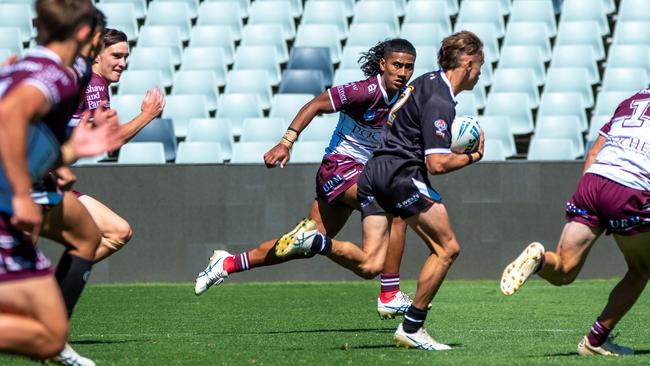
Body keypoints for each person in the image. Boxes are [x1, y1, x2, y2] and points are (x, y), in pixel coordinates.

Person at [267, 31, 485, 350]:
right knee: (446, 248)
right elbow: (437, 164)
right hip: (396, 173)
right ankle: (406, 318)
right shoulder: (439, 99)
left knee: (371, 261)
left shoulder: (424, 81)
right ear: (467, 64)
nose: (480, 73)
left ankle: (316, 243)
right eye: (479, 66)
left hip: (376, 170)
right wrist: (472, 156)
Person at [195, 39, 420, 318]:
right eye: (397, 65)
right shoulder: (364, 91)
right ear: (382, 64)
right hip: (340, 168)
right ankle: (389, 293)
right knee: (400, 205)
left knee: (305, 245)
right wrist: (286, 142)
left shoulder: (406, 98)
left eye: (409, 67)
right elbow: (315, 104)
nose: (402, 72)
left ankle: (227, 263)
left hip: (358, 176)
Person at [0, 0, 123, 361]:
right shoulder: (57, 75)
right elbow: (10, 116)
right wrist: (23, 195)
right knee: (47, 336)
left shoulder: (22, 66)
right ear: (87, 35)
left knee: (86, 236)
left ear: (38, 25)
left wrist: (66, 156)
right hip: (11, 196)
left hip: (19, 188)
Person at [500, 87, 650, 356]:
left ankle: (540, 260)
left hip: (593, 182)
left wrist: (594, 203)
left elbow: (593, 153)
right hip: (630, 187)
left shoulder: (630, 101)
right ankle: (595, 341)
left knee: (565, 270)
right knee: (641, 270)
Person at [61, 28, 165, 263]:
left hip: (48, 180)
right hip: (34, 180)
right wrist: (147, 115)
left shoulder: (90, 81)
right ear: (97, 55)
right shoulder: (94, 83)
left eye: (126, 57)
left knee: (118, 232)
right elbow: (109, 139)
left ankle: (50, 289)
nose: (123, 63)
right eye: (116, 56)